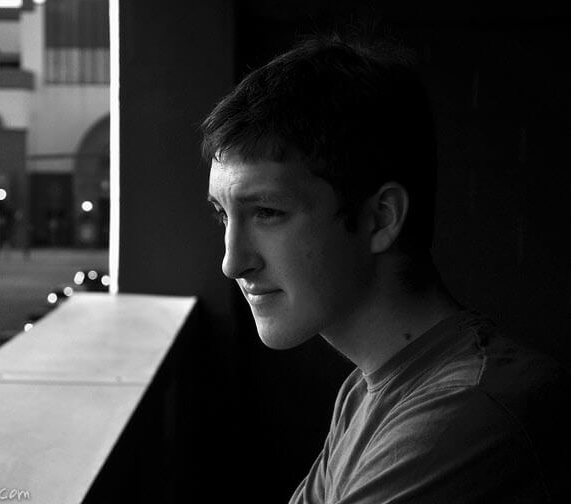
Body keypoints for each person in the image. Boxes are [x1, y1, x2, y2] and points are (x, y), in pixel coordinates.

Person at [202, 33, 568, 503]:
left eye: (267, 212)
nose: (233, 262)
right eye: (222, 214)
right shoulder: (368, 388)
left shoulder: (462, 412)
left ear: (381, 218)